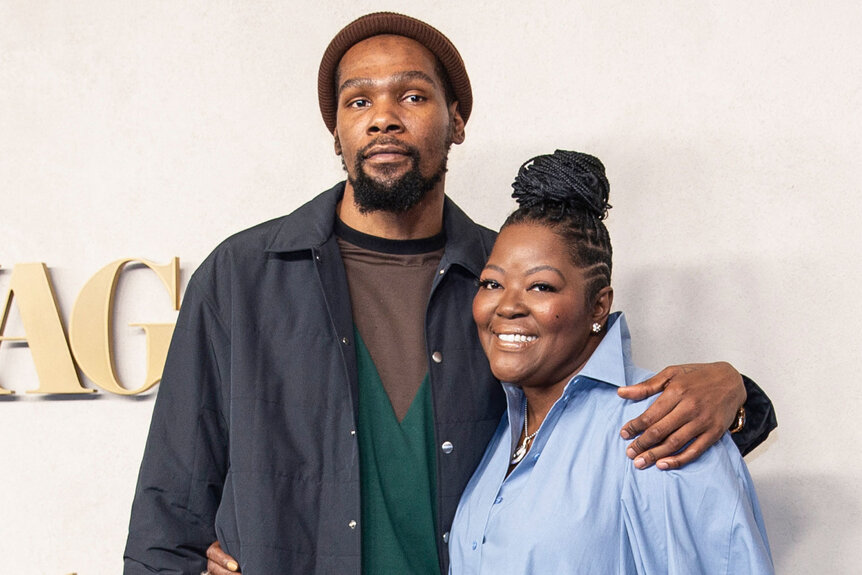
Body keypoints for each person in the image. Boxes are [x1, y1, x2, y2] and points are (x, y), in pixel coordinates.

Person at [123, 12, 776, 575]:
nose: (383, 118)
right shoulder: (241, 276)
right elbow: (168, 507)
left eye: (412, 97)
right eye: (358, 101)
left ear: (457, 120)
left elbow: (597, 438)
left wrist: (739, 395)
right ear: (336, 134)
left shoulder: (505, 283)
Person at [448, 150, 773, 574]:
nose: (507, 306)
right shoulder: (506, 431)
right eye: (492, 283)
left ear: (598, 306)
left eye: (541, 286)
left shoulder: (660, 429)